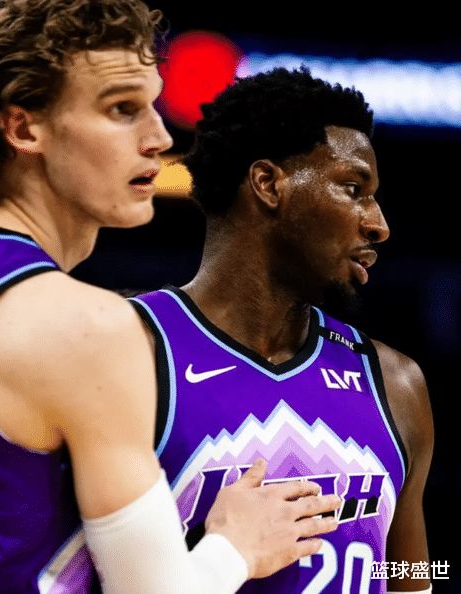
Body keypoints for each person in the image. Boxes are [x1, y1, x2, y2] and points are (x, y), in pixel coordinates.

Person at [0, 3, 342, 593]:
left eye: (153, 106)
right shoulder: (86, 326)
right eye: (122, 110)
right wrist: (235, 547)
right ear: (24, 129)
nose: (160, 137)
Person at [130, 67, 434, 594]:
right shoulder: (128, 350)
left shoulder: (397, 383)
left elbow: (405, 573)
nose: (379, 224)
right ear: (268, 184)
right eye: (353, 188)